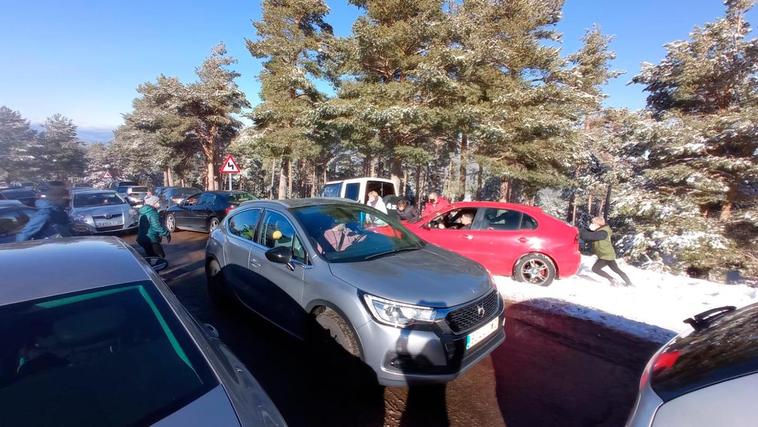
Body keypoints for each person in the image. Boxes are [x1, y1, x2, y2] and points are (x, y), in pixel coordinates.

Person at [580, 216, 633, 286]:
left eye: (593, 223)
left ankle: (614, 280)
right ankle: (628, 283)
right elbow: (590, 233)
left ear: (598, 224)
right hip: (606, 254)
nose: (592, 225)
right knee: (616, 270)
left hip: (606, 255)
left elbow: (590, 236)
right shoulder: (600, 230)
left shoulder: (603, 232)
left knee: (596, 269)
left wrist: (579, 232)